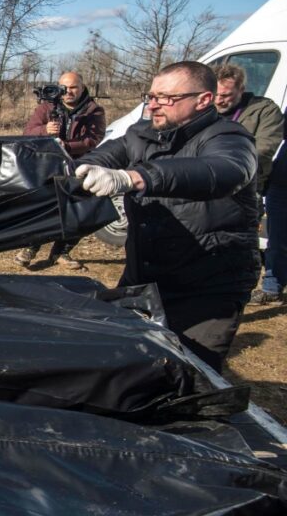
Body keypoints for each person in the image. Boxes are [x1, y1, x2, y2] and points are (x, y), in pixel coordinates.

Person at [74, 61, 260, 371]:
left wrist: (134, 177)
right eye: (151, 96)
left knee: (185, 372)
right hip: (144, 277)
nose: (153, 104)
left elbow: (226, 171)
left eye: (166, 98)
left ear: (203, 100)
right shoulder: (140, 134)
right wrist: (74, 172)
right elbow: (99, 159)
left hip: (206, 286)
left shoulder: (228, 137)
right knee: (121, 363)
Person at [16, 71, 107, 270]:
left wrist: (65, 146)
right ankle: (31, 246)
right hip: (48, 165)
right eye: (64, 87)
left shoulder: (94, 110)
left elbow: (93, 139)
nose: (68, 92)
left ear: (82, 87)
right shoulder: (46, 107)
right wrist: (44, 131)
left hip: (79, 164)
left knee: (79, 211)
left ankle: (61, 252)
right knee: (44, 208)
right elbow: (27, 132)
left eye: (73, 87)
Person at [213, 63, 287, 305]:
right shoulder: (204, 108)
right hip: (205, 187)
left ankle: (244, 290)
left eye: (226, 95)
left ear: (241, 89)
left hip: (244, 189)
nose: (219, 100)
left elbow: (264, 148)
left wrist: (221, 163)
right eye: (215, 94)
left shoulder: (263, 110)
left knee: (240, 245)